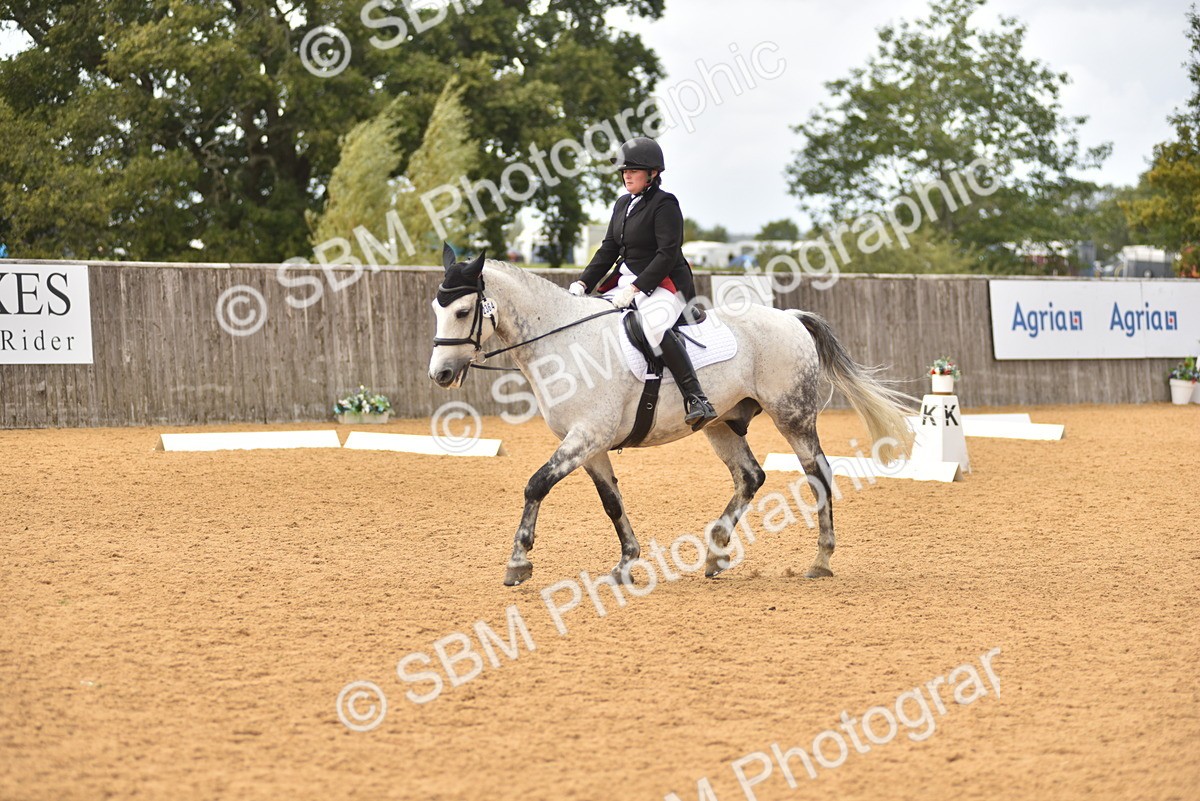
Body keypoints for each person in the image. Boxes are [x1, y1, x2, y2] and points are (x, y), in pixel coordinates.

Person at [569, 137, 718, 431]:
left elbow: (667, 254)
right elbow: (608, 249)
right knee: (590, 320)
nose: (627, 175)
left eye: (634, 170)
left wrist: (636, 288)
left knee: (654, 325)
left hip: (664, 283)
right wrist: (583, 284)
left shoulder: (665, 204)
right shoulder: (622, 204)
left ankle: (696, 398)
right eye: (624, 171)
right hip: (624, 281)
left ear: (652, 173)